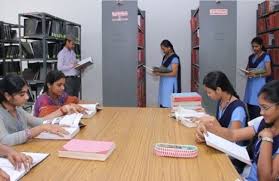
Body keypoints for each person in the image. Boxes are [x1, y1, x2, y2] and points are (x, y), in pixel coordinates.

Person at [196, 80, 279, 181]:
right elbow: (233, 134)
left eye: (265, 108)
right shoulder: (263, 122)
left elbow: (265, 179)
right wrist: (208, 131)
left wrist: (267, 139)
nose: (261, 112)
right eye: (260, 107)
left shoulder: (266, 130)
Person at [0, 74, 77, 146]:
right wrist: (40, 128)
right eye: (22, 94)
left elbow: (38, 122)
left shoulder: (17, 109)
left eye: (27, 93)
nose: (27, 97)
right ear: (7, 95)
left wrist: (60, 116)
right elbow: (4, 140)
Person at [244, 37, 272, 120]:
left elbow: (268, 72)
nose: (254, 48)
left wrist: (256, 74)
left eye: (256, 46)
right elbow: (247, 69)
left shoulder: (266, 56)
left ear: (261, 45)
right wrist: (247, 72)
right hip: (250, 85)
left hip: (259, 85)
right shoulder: (251, 57)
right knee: (250, 110)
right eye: (253, 47)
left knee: (258, 111)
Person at [153, 40, 181, 108]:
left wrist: (160, 74)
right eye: (162, 49)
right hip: (164, 83)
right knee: (163, 102)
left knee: (169, 104)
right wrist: (157, 70)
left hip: (170, 84)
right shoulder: (165, 57)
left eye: (163, 49)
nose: (163, 51)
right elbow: (163, 68)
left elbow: (174, 73)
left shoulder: (174, 58)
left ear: (169, 48)